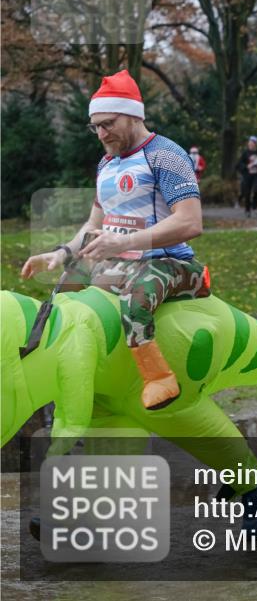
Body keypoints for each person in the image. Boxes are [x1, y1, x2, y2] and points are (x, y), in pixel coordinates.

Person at [20, 69, 208, 410]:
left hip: (170, 262)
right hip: (120, 261)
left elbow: (191, 222)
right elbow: (94, 223)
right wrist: (60, 254)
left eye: (108, 124)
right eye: (96, 127)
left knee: (137, 299)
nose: (101, 134)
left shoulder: (166, 155)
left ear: (133, 115)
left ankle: (159, 379)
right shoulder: (106, 163)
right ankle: (52, 370)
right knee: (63, 292)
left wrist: (122, 243)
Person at [236, 136, 257, 218]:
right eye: (249, 143)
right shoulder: (245, 153)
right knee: (247, 193)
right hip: (247, 175)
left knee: (256, 190)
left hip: (256, 175)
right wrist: (246, 166)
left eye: (252, 143)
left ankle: (255, 207)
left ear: (255, 144)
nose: (250, 144)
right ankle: (247, 210)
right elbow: (238, 164)